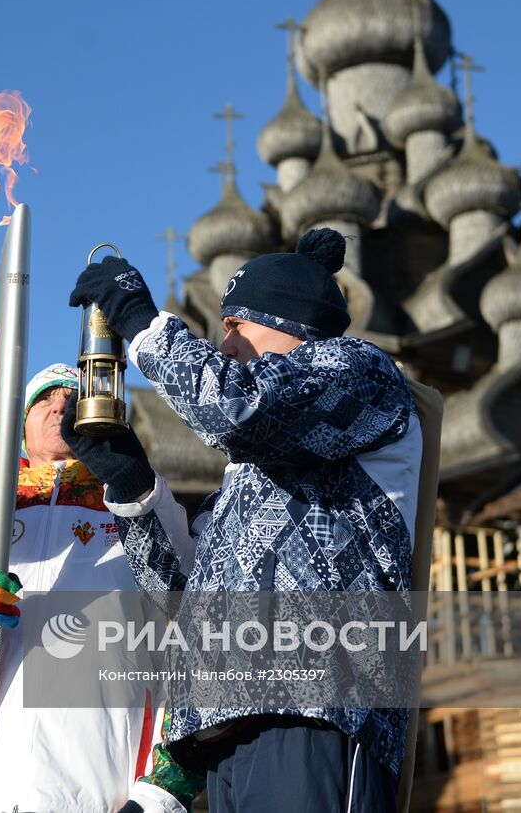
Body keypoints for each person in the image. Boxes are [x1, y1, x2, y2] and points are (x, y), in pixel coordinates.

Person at [68, 228, 423, 813]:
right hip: (227, 726)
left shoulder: (357, 372)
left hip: (318, 703)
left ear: (288, 321)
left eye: (237, 324)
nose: (224, 341)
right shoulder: (249, 474)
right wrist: (133, 486)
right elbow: (180, 595)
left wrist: (140, 319)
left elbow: (239, 406)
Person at [0, 363, 205, 813]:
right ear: (21, 425)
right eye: (45, 398)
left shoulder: (146, 524)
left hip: (95, 795)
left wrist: (160, 796)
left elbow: (200, 663)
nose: (60, 405)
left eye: (73, 397)